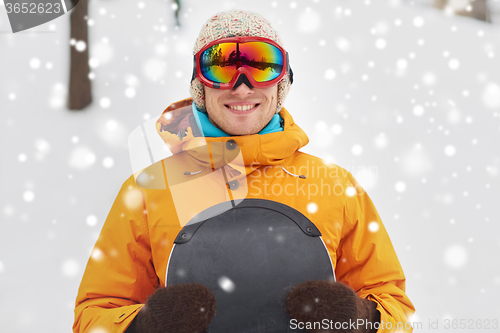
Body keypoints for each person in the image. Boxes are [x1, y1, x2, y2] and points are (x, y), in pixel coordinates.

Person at [73, 10, 415, 333]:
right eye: (222, 68)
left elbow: (394, 308)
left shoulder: (334, 186)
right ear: (200, 85)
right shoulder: (149, 190)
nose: (241, 86)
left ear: (281, 84)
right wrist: (144, 325)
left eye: (261, 66)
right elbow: (94, 315)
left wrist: (362, 319)